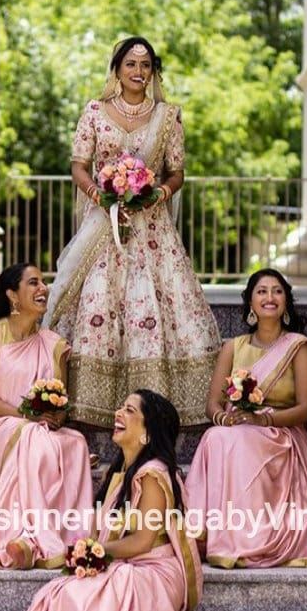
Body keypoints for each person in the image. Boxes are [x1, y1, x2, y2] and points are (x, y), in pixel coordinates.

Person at [43, 36, 220, 428]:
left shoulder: (168, 115)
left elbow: (177, 171)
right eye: (131, 64)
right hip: (103, 223)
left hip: (152, 226)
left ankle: (156, 404)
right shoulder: (94, 111)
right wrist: (100, 196)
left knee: (155, 305)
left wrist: (158, 192)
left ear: (153, 71)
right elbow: (78, 165)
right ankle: (91, 401)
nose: (138, 72)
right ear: (117, 69)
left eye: (145, 65)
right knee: (96, 299)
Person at [0, 263, 93, 569]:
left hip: (33, 430)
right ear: (12, 294)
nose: (43, 289)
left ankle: (40, 538)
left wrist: (55, 418)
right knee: (33, 438)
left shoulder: (54, 345)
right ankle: (21, 537)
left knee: (75, 442)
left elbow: (60, 405)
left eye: (44, 283)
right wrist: (24, 416)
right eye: (33, 283)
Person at [186, 269, 307, 568]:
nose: (270, 297)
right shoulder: (234, 347)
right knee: (215, 436)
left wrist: (263, 421)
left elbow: (305, 409)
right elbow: (212, 404)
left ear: (286, 301)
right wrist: (225, 419)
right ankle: (213, 533)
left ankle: (251, 539)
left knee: (239, 441)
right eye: (262, 291)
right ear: (251, 303)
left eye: (277, 291)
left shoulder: (299, 347)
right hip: (239, 427)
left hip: (282, 433)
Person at [28, 389, 203, 611]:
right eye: (121, 407)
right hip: (126, 565)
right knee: (60, 591)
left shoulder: (152, 474)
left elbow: (143, 541)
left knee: (79, 596)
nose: (118, 413)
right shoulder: (116, 474)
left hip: (153, 572)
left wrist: (96, 551)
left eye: (129, 410)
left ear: (148, 432)